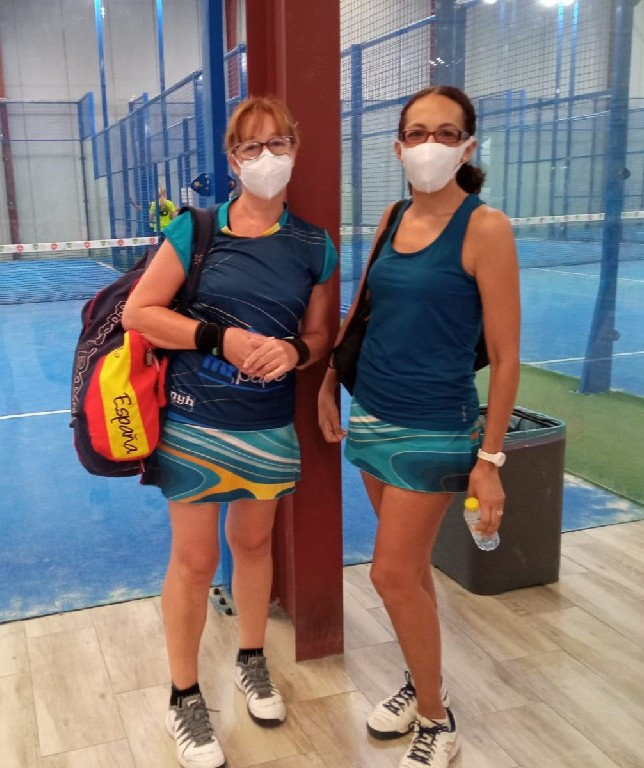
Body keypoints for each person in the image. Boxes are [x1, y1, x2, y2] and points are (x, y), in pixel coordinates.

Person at [122, 96, 338, 768]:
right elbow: (140, 312)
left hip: (267, 426)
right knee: (194, 561)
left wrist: (296, 353)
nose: (266, 156)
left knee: (252, 543)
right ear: (232, 159)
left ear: (295, 150)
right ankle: (184, 695)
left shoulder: (315, 246)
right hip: (193, 421)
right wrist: (221, 339)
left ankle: (251, 658)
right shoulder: (195, 230)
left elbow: (321, 334)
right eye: (251, 146)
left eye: (278, 143)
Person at [318, 85, 520, 768]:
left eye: (446, 132)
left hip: (436, 427)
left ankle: (437, 719)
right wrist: (329, 378)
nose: (429, 144)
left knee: (389, 574)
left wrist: (490, 460)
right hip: (373, 413)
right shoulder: (392, 215)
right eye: (417, 132)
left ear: (468, 145)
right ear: (398, 145)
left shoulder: (486, 228)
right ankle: (421, 677)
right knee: (410, 573)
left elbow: (506, 355)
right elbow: (363, 307)